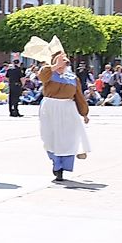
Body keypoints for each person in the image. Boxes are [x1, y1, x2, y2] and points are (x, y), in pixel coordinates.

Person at [26, 36, 91, 183]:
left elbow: (79, 96)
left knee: (68, 138)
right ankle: (56, 162)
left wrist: (84, 113)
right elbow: (42, 76)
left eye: (65, 62)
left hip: (67, 109)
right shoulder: (48, 72)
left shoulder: (72, 78)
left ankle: (62, 168)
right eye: (61, 61)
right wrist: (55, 66)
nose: (63, 64)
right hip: (50, 108)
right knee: (50, 137)